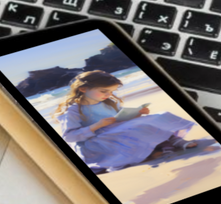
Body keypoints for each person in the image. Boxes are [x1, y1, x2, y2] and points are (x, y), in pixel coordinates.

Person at [54, 70, 199, 171]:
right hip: (95, 141)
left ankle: (171, 141)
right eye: (104, 91)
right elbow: (69, 136)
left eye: (111, 91)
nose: (108, 95)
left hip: (116, 131)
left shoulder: (109, 102)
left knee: (157, 117)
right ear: (84, 89)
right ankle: (161, 146)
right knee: (134, 129)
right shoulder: (72, 110)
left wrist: (137, 114)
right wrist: (97, 125)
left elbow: (120, 118)